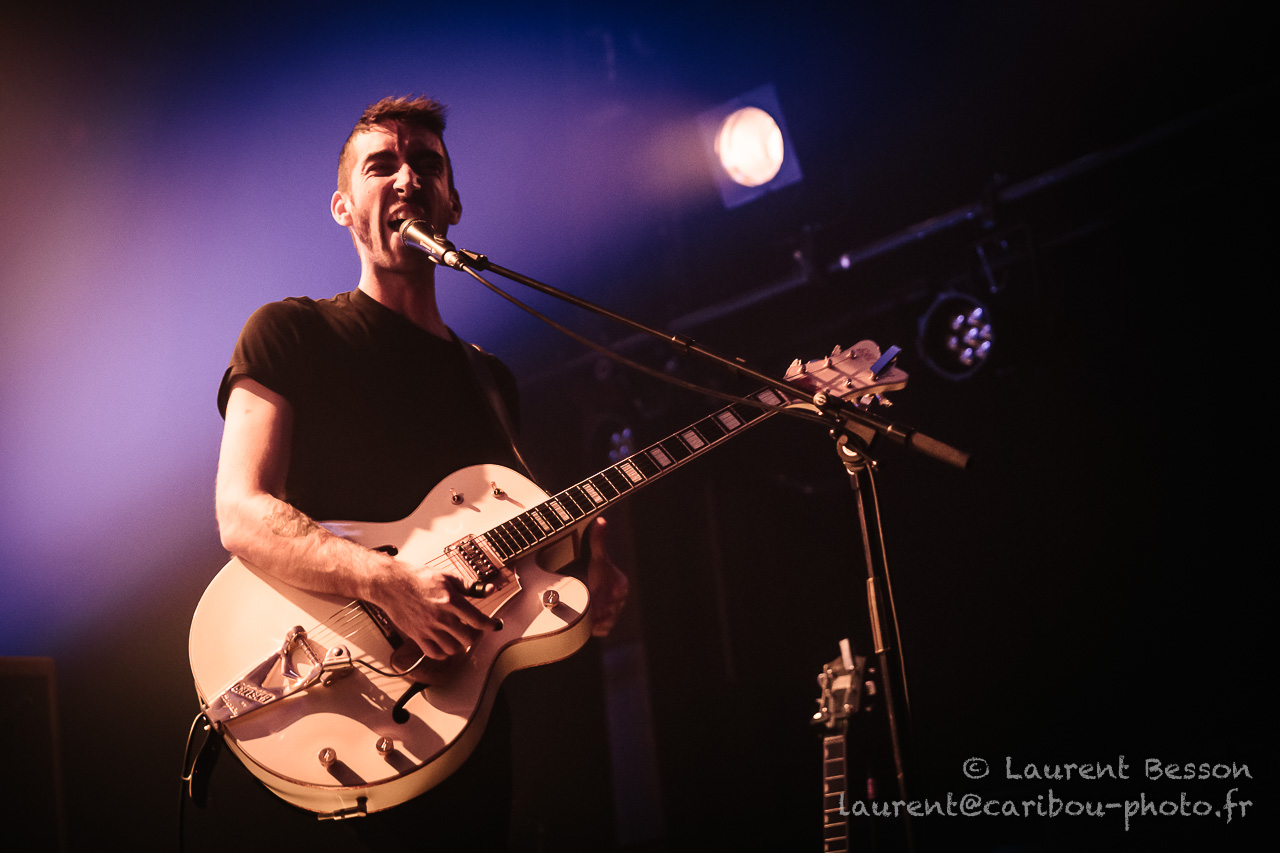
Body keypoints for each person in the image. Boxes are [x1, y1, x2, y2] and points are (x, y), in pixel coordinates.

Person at [195, 95, 629, 850]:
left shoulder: (490, 380)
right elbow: (240, 510)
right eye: (381, 165)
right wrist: (387, 581)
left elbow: (506, 554)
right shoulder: (290, 331)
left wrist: (587, 569)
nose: (407, 178)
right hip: (330, 691)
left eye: (427, 164)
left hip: (463, 732)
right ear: (342, 207)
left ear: (452, 202)